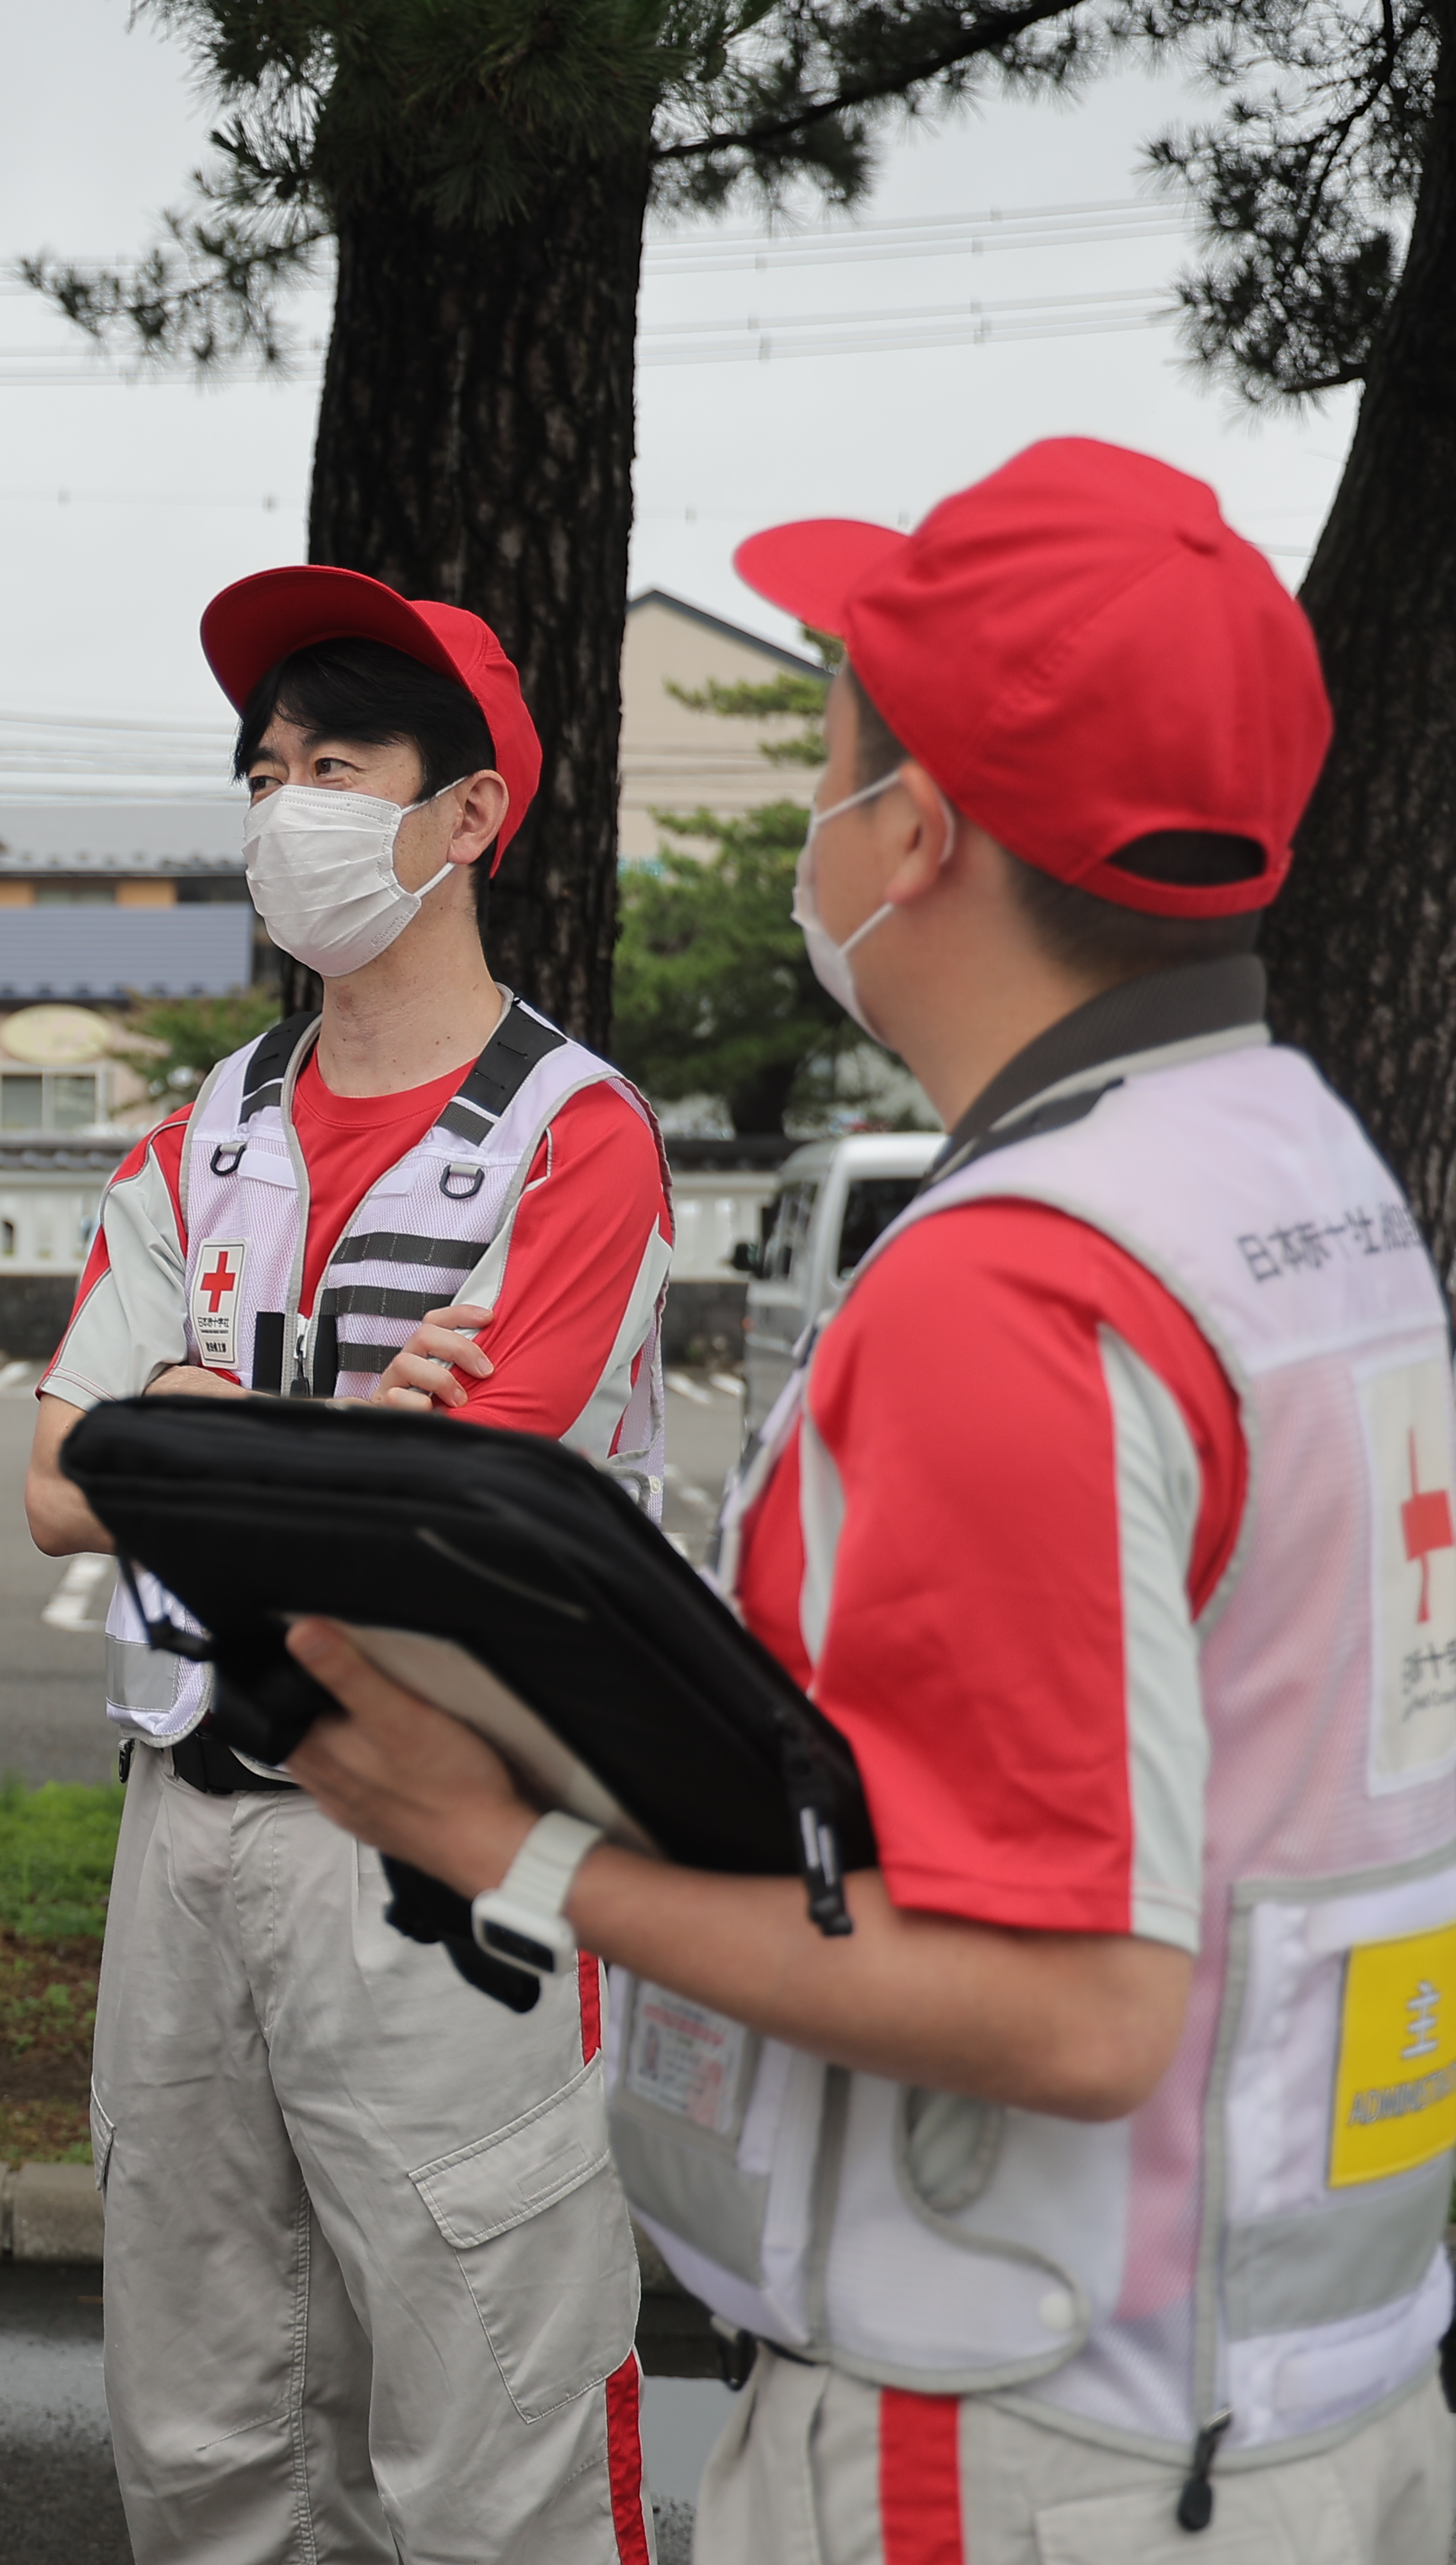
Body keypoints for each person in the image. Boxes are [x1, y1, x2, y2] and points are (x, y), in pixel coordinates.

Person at [280, 439, 1456, 2559]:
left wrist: (505, 1843)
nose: (813, 813)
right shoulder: (1298, 1172)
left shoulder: (1025, 1276)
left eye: (826, 759)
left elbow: (1071, 2008)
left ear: (909, 835)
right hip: (1286, 2395)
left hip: (1016, 2437)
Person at [23, 568, 669, 2562]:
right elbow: (57, 1481)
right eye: (267, 768)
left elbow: (462, 1510)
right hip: (193, 1814)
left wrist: (206, 1418)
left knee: (489, 2411)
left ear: (467, 813)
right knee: (204, 2413)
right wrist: (326, 1415)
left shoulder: (576, 1132)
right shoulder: (204, 1130)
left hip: (451, 1828)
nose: (284, 803)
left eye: (338, 764)